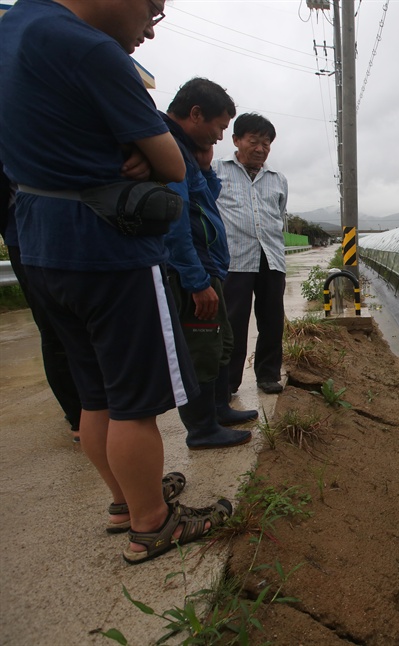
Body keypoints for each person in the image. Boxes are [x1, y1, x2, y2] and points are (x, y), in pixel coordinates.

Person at [0, 0, 231, 564]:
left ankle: (125, 502)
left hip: (41, 245)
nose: (150, 28)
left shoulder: (13, 30)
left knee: (95, 391)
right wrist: (141, 154)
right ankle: (154, 524)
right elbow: (173, 165)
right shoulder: (89, 49)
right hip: (107, 248)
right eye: (151, 8)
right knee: (134, 400)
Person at [161, 78, 258, 449]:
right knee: (202, 346)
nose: (219, 137)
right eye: (219, 127)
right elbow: (175, 221)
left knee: (222, 341)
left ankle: (218, 408)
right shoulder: (167, 148)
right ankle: (201, 429)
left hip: (210, 268)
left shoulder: (188, 154)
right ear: (195, 114)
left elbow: (206, 201)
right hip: (195, 269)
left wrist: (204, 169)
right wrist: (195, 279)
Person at [1, 163, 83, 441]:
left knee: (87, 326)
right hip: (26, 235)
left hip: (73, 227)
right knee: (54, 330)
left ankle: (99, 408)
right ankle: (78, 417)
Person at [214, 113, 289, 395]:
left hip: (271, 258)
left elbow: (279, 216)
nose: (260, 148)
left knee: (271, 320)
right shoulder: (217, 170)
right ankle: (229, 381)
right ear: (237, 140)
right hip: (234, 259)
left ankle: (268, 375)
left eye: (266, 143)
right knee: (233, 322)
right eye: (254, 141)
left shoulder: (277, 179)